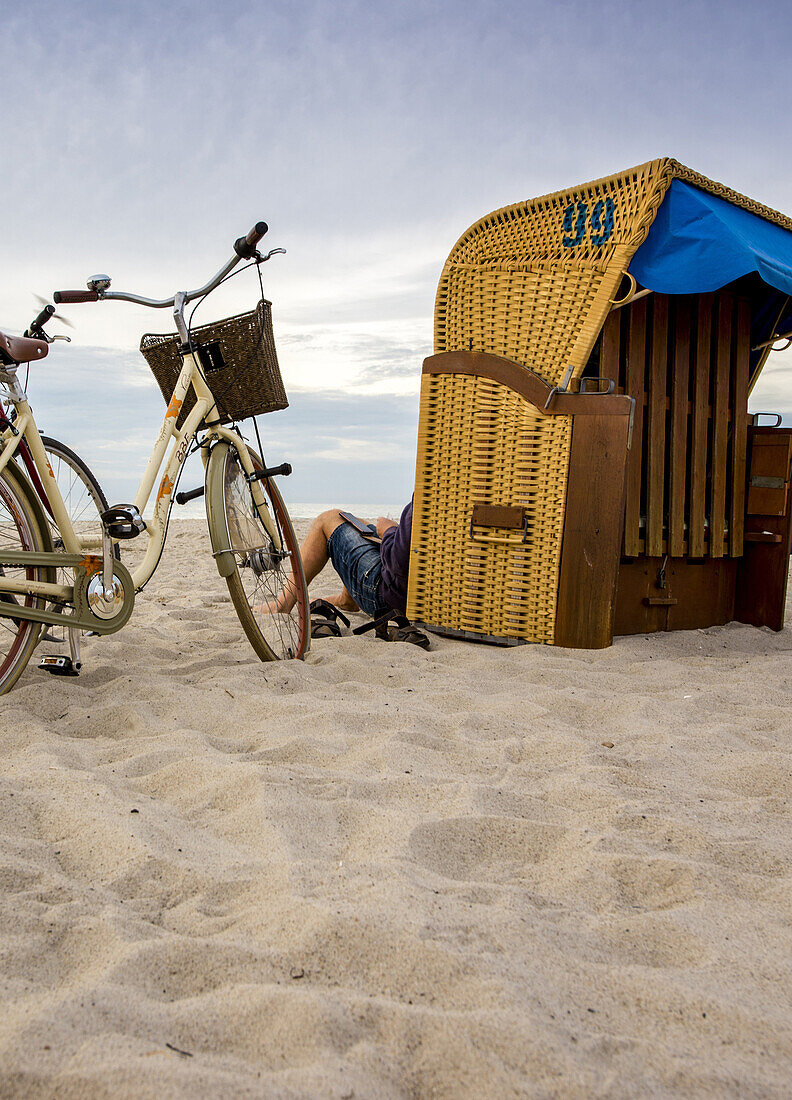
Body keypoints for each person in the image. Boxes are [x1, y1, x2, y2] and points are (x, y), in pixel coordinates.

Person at [269, 500, 413, 620]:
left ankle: (281, 605)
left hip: (390, 597)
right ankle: (346, 600)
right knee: (357, 524)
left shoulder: (429, 481)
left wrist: (389, 531)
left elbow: (398, 563)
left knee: (328, 519)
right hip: (420, 594)